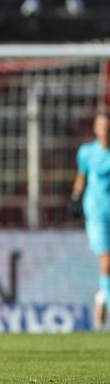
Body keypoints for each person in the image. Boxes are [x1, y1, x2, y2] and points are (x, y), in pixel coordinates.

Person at [71, 113, 110, 330]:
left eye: (107, 125)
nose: (104, 129)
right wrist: (75, 197)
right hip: (97, 212)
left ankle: (102, 298)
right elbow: (81, 176)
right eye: (101, 125)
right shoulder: (87, 153)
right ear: (95, 129)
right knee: (106, 260)